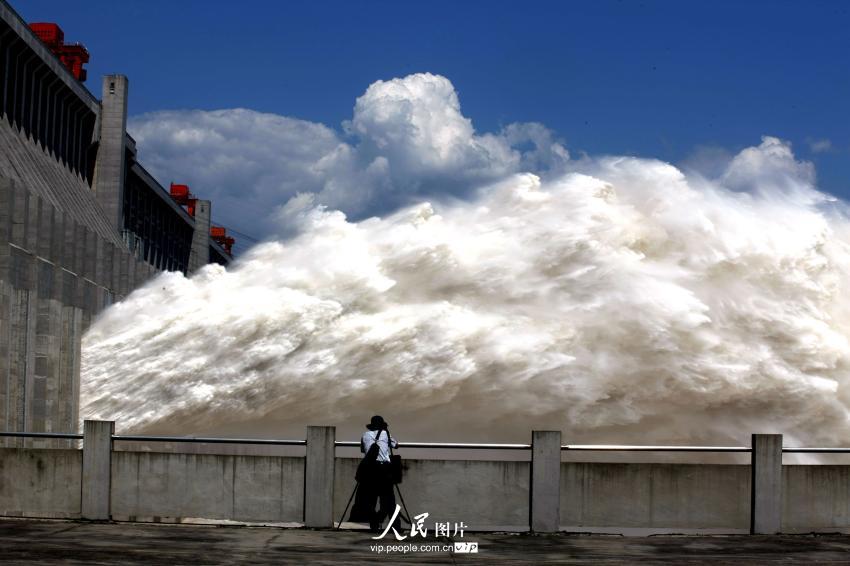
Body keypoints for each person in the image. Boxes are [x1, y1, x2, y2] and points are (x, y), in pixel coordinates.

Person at [349, 415, 400, 532]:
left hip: (370, 470)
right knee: (388, 500)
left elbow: (363, 450)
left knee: (369, 499)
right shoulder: (386, 434)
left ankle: (374, 524)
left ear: (371, 426)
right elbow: (396, 445)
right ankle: (394, 526)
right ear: (383, 425)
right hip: (384, 469)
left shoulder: (365, 435)